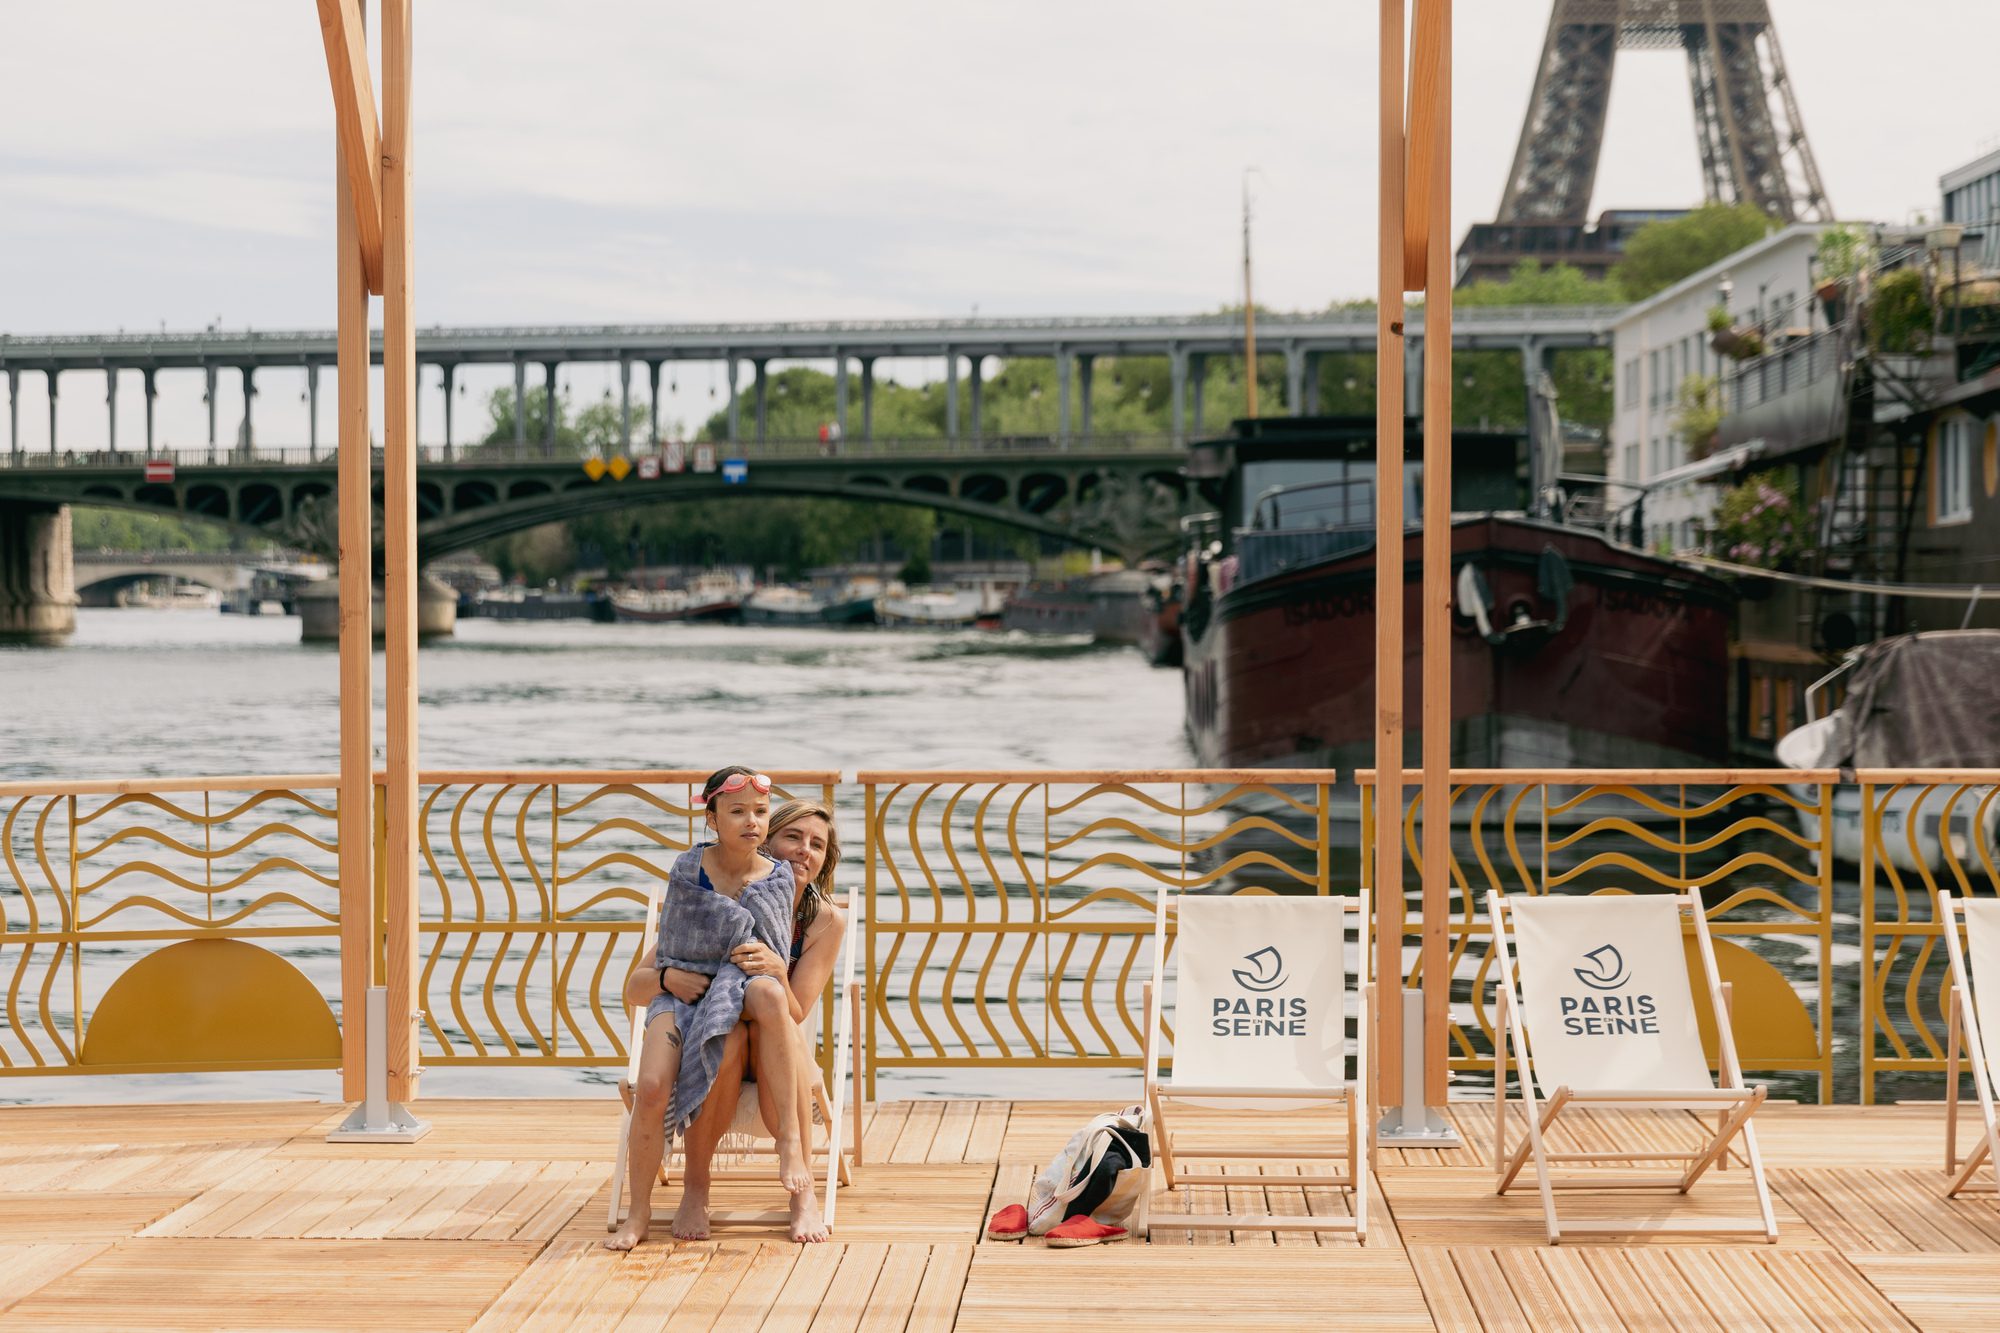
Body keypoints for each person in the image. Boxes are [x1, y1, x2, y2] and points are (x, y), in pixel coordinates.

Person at [605, 766, 813, 1251]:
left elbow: (772, 956)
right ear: (712, 819)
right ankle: (638, 1214)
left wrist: (770, 967)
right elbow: (674, 948)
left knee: (769, 993)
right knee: (652, 1085)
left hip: (744, 993)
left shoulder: (779, 879)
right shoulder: (687, 872)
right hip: (681, 996)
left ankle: (790, 1142)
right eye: (737, 812)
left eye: (760, 812)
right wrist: (669, 978)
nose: (751, 822)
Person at [665, 798, 847, 1243]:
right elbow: (645, 975)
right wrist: (671, 975)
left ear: (825, 860)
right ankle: (696, 1192)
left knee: (765, 1017)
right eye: (793, 837)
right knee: (728, 1035)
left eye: (817, 845)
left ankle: (803, 1201)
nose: (805, 850)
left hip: (779, 1040)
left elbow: (797, 1011)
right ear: (765, 840)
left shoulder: (825, 920)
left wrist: (778, 970)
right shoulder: (720, 896)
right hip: (719, 1036)